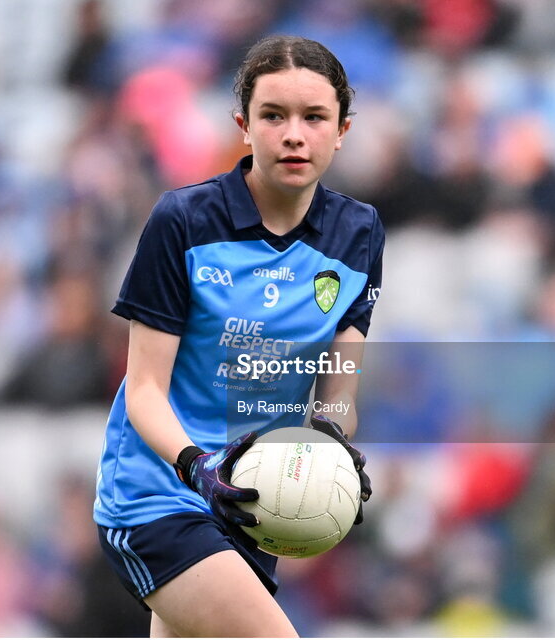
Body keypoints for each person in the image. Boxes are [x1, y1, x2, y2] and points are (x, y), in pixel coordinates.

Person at [93, 35, 384, 637]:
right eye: (273, 116)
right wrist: (196, 467)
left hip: (254, 505)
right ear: (243, 126)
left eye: (314, 117)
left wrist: (331, 443)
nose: (294, 134)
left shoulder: (359, 234)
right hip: (160, 497)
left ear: (343, 129)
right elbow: (144, 387)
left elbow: (339, 390)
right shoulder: (183, 221)